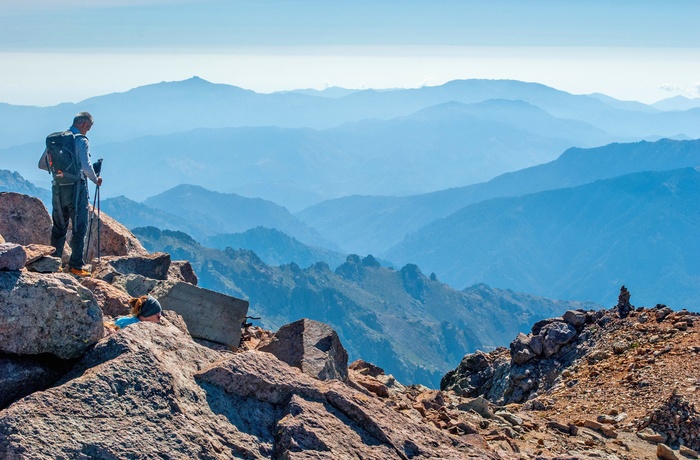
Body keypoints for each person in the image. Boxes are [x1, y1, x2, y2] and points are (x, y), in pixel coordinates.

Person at [39, 112, 103, 277]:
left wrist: (60, 171)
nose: (87, 131)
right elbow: (87, 167)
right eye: (88, 128)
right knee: (79, 227)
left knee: (59, 227)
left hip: (58, 188)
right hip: (77, 189)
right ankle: (76, 265)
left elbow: (41, 164)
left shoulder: (56, 140)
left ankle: (54, 263)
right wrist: (96, 180)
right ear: (83, 124)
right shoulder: (80, 140)